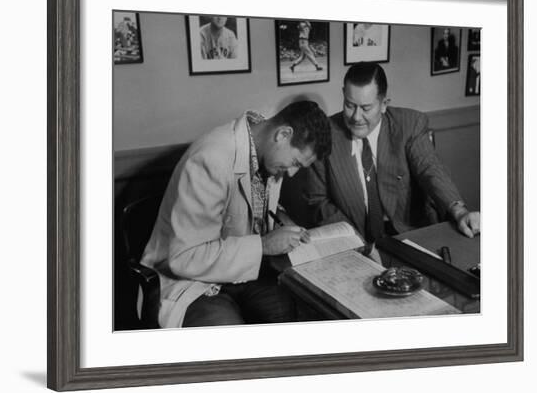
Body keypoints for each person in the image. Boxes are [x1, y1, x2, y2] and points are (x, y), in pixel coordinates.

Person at [141, 101, 332, 328]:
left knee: (301, 316)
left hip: (240, 275)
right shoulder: (211, 158)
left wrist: (281, 221)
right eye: (294, 162)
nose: (291, 173)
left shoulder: (265, 153)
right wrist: (264, 246)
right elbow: (185, 258)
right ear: (282, 134)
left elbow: (248, 206)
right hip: (189, 281)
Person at [306, 62, 480, 249]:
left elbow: (430, 169)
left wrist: (459, 211)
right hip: (354, 242)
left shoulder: (409, 125)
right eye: (349, 105)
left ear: (383, 104)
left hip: (409, 235)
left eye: (366, 108)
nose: (356, 117)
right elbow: (318, 200)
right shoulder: (325, 134)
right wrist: (352, 239)